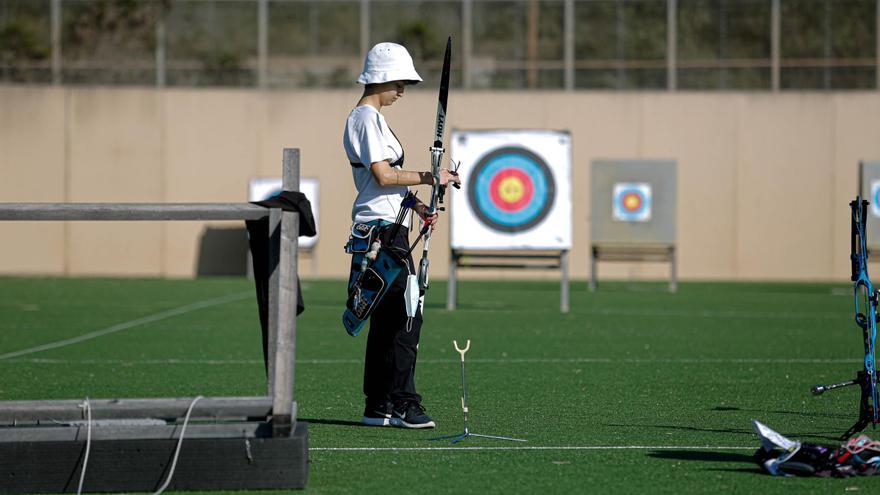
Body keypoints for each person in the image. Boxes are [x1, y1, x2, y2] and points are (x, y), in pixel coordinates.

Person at [343, 42, 461, 429]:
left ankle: (378, 406)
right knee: (407, 318)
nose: (403, 90)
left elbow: (390, 187)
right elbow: (382, 176)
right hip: (381, 235)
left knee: (390, 321)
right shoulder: (363, 118)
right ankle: (405, 403)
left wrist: (419, 206)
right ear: (381, 78)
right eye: (399, 82)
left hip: (390, 230)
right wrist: (432, 176)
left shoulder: (375, 120)